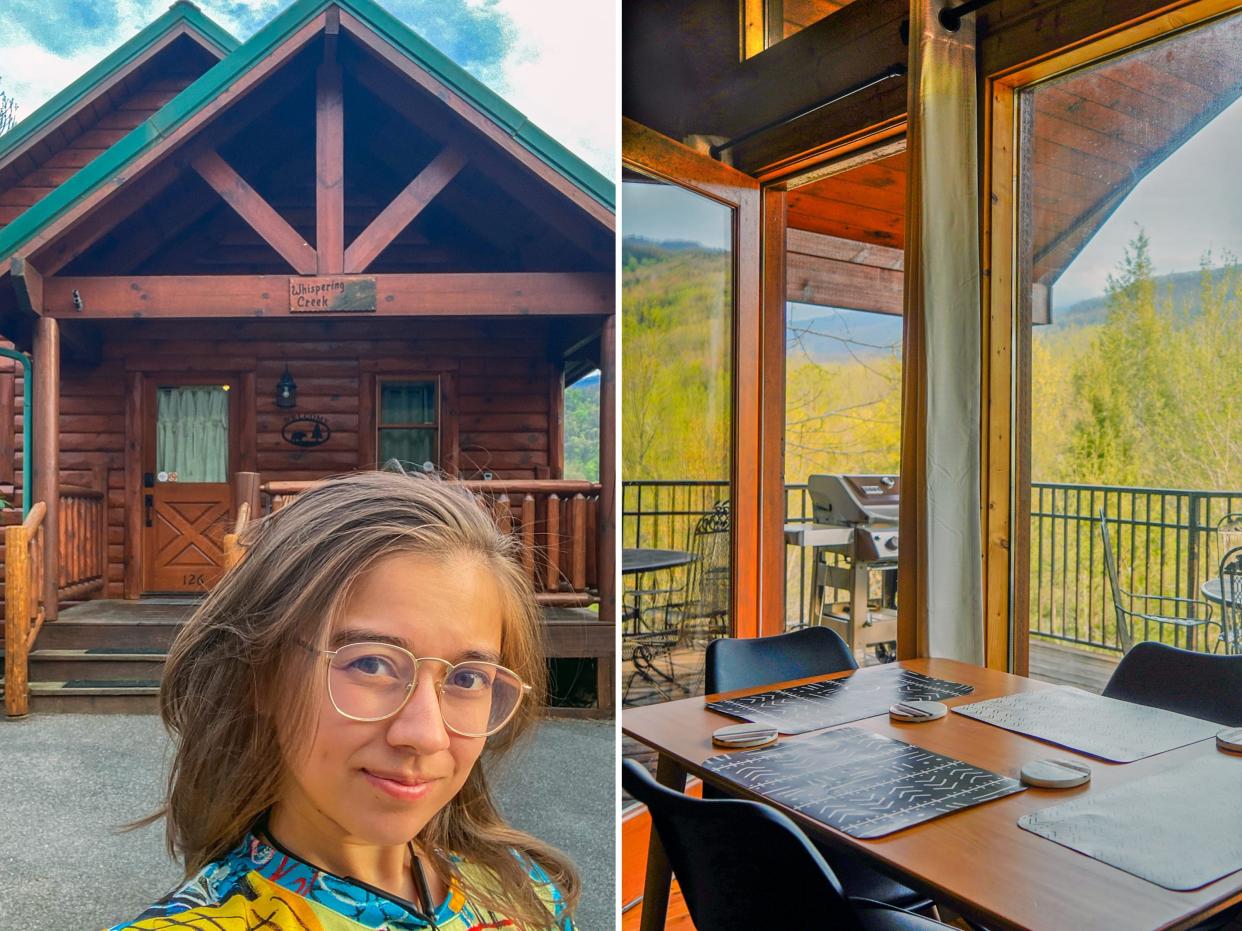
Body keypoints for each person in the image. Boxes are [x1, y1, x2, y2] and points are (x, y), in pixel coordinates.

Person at [108, 469, 579, 930]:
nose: (425, 735)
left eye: (469, 678)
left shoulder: (527, 891)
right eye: (370, 665)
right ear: (263, 675)